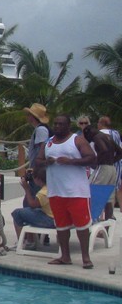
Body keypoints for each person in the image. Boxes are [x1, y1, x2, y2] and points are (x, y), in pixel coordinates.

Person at [37, 114, 97, 268]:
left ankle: (86, 258)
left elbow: (91, 158)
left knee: (82, 226)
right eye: (55, 124)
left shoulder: (77, 140)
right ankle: (65, 256)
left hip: (76, 192)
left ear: (68, 126)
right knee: (61, 226)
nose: (57, 126)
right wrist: (46, 162)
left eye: (61, 124)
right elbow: (37, 161)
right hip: (56, 192)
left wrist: (71, 161)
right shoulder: (48, 143)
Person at [11, 167, 55, 249]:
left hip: (51, 221)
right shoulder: (53, 186)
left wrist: (26, 188)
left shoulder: (43, 193)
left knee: (17, 213)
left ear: (38, 179)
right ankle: (30, 240)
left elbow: (32, 204)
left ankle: (24, 242)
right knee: (30, 212)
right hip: (57, 218)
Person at [99, 115, 122, 214]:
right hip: (117, 163)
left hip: (104, 164)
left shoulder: (99, 134)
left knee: (103, 188)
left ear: (100, 124)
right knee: (116, 188)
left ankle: (106, 212)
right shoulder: (115, 133)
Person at [24, 103, 50, 168]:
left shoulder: (41, 129)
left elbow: (42, 149)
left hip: (39, 168)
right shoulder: (39, 129)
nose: (27, 116)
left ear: (32, 116)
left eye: (28, 115)